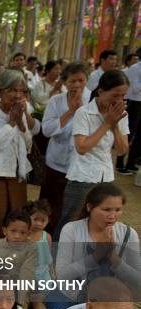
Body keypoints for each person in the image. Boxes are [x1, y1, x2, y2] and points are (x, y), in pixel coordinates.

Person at [53, 70, 129, 240]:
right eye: (115, 95)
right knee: (70, 221)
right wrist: (107, 123)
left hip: (106, 175)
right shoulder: (84, 112)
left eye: (123, 95)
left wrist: (115, 124)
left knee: (99, 222)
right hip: (82, 176)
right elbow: (82, 147)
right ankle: (56, 258)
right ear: (101, 91)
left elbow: (122, 150)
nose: (119, 100)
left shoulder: (121, 115)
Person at [0, 69, 40, 240]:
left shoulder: (21, 109)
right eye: (13, 90)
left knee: (17, 219)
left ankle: (14, 259)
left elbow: (27, 145)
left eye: (21, 90)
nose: (17, 94)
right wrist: (11, 123)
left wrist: (20, 122)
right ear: (0, 90)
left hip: (16, 172)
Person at [55, 183, 140, 306]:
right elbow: (62, 276)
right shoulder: (72, 230)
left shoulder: (128, 234)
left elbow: (137, 281)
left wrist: (114, 259)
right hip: (73, 298)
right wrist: (96, 256)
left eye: (118, 210)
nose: (112, 216)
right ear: (89, 207)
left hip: (112, 301)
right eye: (106, 210)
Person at [39, 62, 91, 233]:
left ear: (86, 81)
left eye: (81, 80)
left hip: (81, 164)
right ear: (64, 82)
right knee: (51, 204)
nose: (77, 85)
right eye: (72, 81)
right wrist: (70, 112)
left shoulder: (93, 101)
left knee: (74, 209)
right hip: (55, 162)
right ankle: (45, 239)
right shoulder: (56, 101)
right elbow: (46, 130)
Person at [120, 48, 141, 174]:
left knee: (140, 136)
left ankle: (131, 162)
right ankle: (120, 163)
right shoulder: (135, 68)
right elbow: (134, 89)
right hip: (133, 102)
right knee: (128, 133)